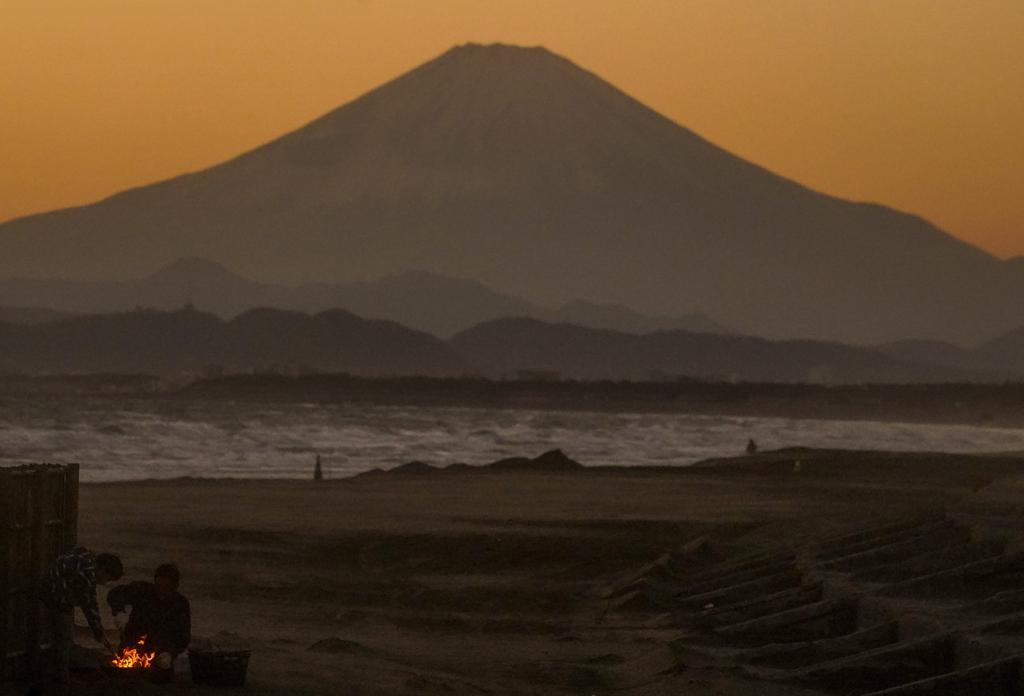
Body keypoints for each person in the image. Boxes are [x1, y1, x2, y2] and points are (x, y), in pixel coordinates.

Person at [38, 547, 123, 694]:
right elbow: (89, 604)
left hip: (53, 591)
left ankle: (55, 675)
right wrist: (98, 632)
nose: (104, 583)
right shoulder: (87, 573)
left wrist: (97, 630)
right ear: (103, 570)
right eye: (107, 578)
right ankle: (62, 682)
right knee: (64, 640)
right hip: (55, 596)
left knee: (58, 637)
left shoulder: (87, 557)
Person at [107, 563, 191, 682]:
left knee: (160, 678)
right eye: (158, 586)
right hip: (131, 648)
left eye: (166, 588)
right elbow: (114, 594)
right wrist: (119, 613)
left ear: (175, 586)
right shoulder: (142, 590)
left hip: (160, 653)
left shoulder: (180, 604)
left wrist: (170, 653)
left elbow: (183, 636)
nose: (161, 592)